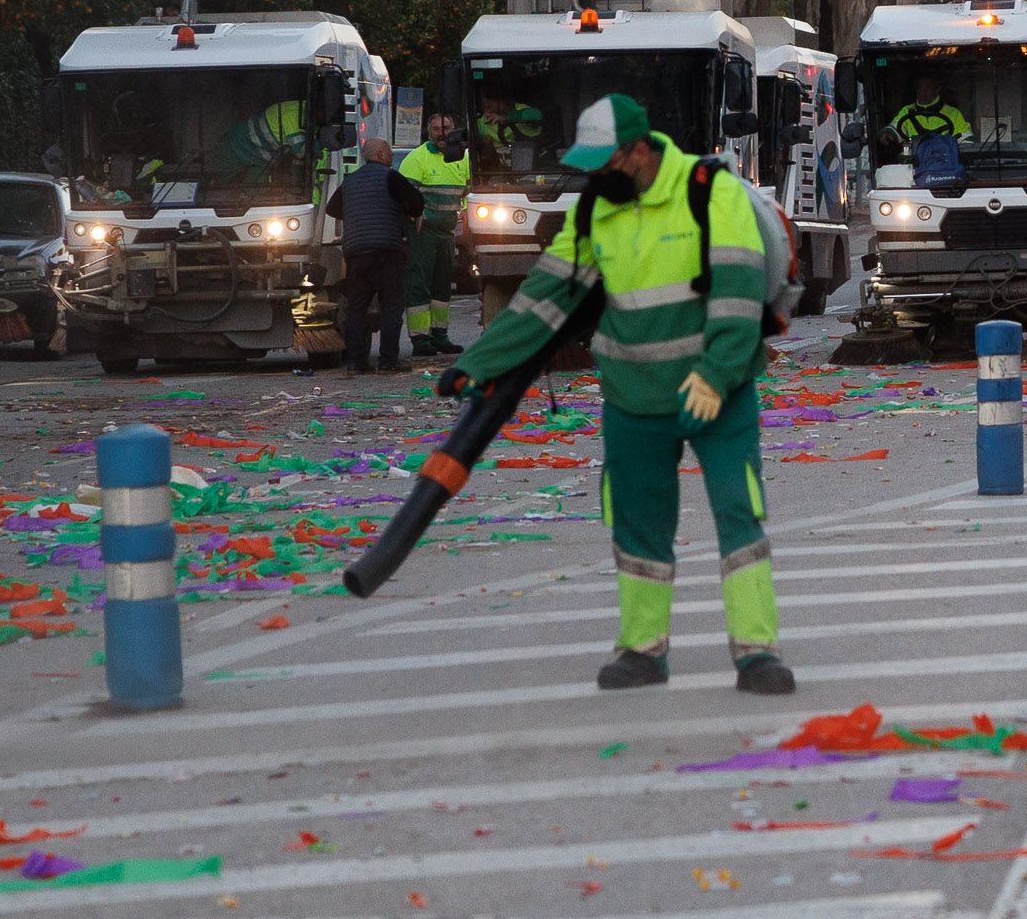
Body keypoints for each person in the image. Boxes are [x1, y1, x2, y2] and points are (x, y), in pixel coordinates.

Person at [443, 92, 790, 696]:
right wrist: (478, 364)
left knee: (738, 511)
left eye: (605, 164)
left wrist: (715, 373)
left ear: (637, 151)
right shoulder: (594, 211)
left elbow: (738, 292)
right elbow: (543, 299)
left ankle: (757, 653)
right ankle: (642, 651)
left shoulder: (710, 191)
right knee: (637, 525)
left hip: (717, 392)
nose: (596, 178)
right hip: (634, 397)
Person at [324, 141, 424, 372]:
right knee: (391, 305)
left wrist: (355, 213)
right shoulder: (391, 177)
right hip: (387, 250)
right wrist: (406, 213)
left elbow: (332, 208)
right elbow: (417, 202)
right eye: (389, 152)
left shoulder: (350, 181)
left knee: (356, 307)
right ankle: (388, 361)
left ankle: (355, 362)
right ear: (380, 154)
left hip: (356, 252)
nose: (390, 156)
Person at [397, 112, 473, 357]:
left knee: (442, 287)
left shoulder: (464, 159)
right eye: (437, 129)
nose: (442, 134)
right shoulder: (416, 159)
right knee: (419, 285)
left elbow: (469, 192)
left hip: (447, 233)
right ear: (428, 132)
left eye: (446, 128)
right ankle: (421, 340)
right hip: (423, 233)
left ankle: (440, 336)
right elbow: (403, 196)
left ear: (454, 130)